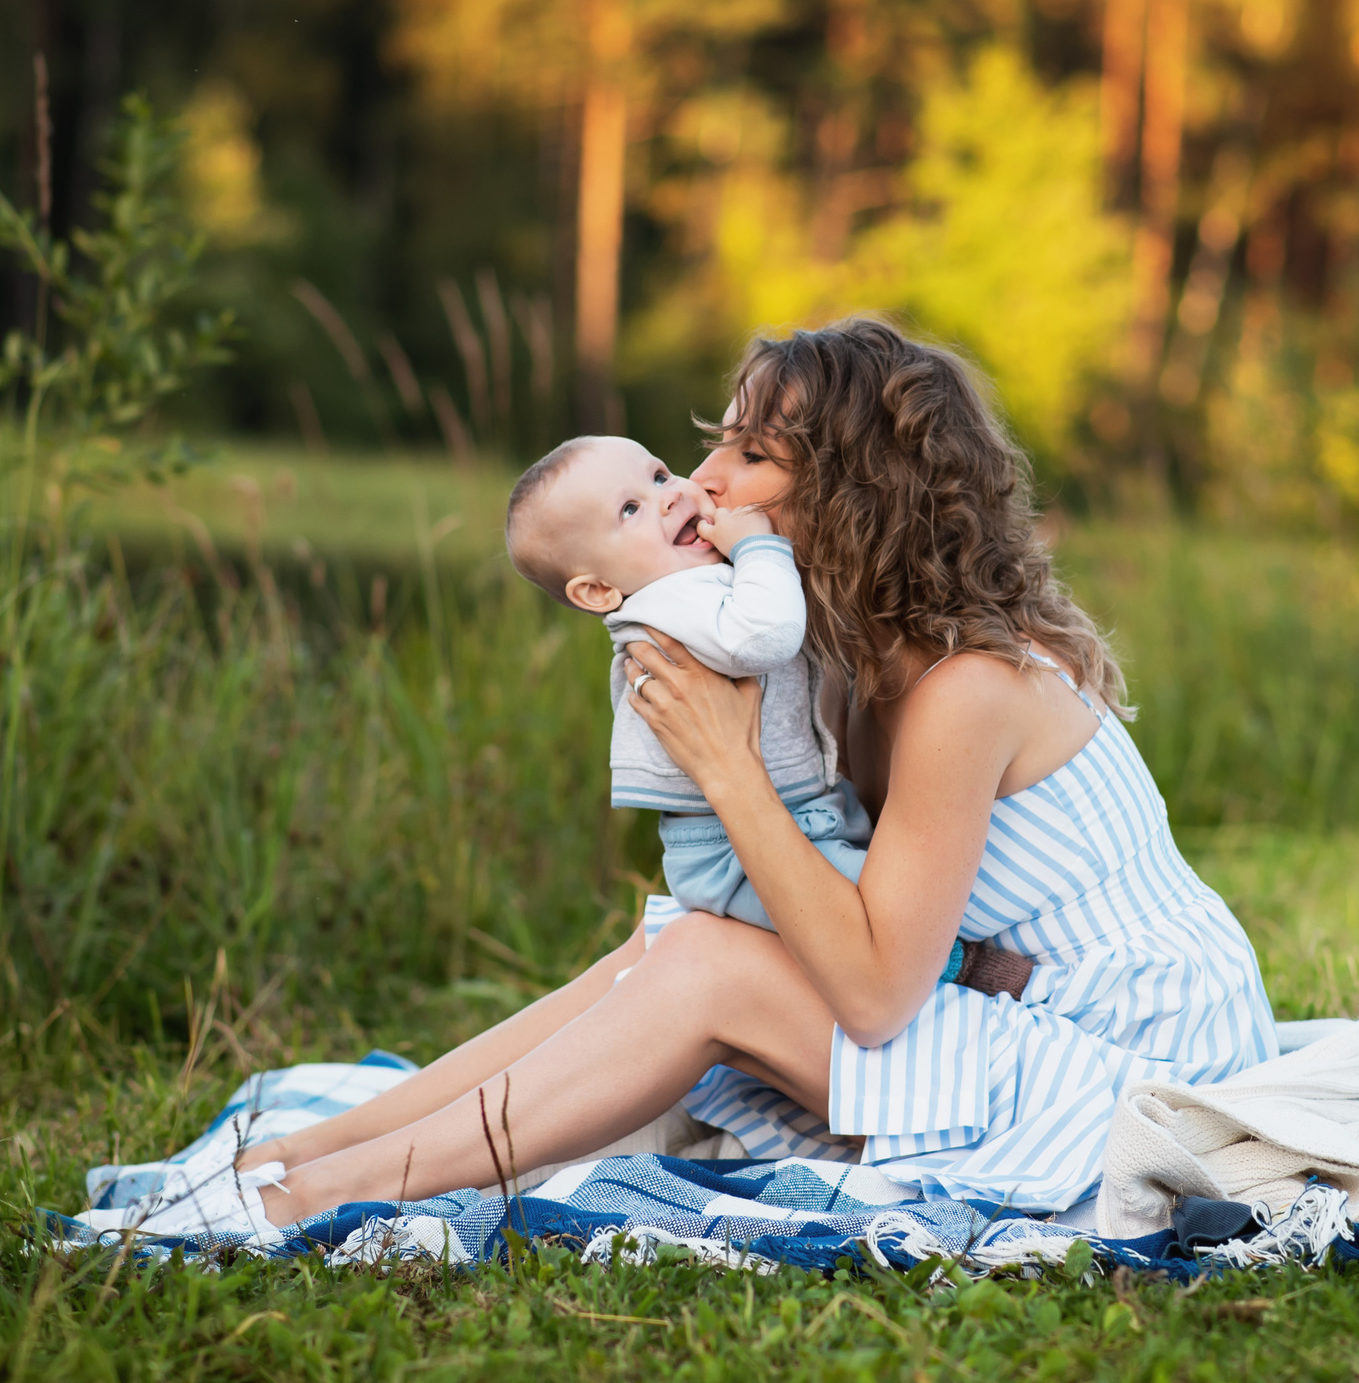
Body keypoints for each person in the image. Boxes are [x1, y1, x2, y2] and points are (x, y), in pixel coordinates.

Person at [142, 319, 1279, 1238]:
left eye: (747, 455)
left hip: (1137, 1064)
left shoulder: (963, 688)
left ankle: (313, 1199)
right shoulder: (836, 660)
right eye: (714, 442)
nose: (700, 478)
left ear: (850, 493)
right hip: (1011, 1005)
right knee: (669, 941)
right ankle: (312, 1148)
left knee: (698, 964)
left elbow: (877, 992)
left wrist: (728, 770)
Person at [502, 433, 866, 931]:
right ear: (598, 590)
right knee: (879, 908)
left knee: (885, 888)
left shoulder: (691, 582)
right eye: (630, 509)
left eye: (658, 475)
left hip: (787, 820)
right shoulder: (664, 605)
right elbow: (765, 636)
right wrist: (759, 546)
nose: (669, 494)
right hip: (728, 856)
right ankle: (961, 963)